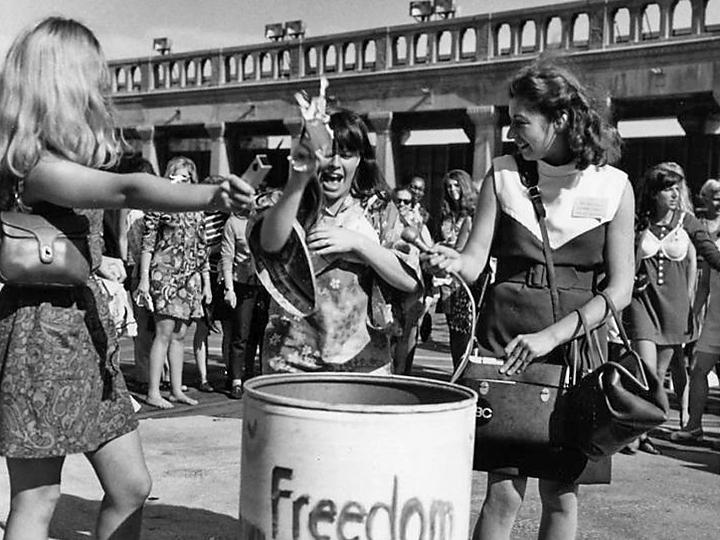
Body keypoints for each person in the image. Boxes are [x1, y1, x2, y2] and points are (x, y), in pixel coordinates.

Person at [0, 17, 254, 540]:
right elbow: (126, 191)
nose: (102, 87)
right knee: (38, 498)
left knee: (131, 485)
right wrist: (211, 195)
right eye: (94, 75)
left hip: (87, 340)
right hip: (38, 341)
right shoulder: (34, 165)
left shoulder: (56, 162)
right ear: (64, 82)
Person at [425, 60, 634, 540]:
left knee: (561, 491)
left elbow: (620, 289)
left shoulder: (614, 187)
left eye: (521, 121)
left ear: (558, 120)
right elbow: (475, 259)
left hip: (573, 347)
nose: (510, 131)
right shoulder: (500, 175)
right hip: (507, 343)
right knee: (503, 490)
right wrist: (450, 262)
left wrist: (552, 336)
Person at [251, 109, 421, 374]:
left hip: (364, 361)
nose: (334, 163)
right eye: (327, 153)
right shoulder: (285, 204)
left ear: (361, 159)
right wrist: (297, 183)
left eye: (347, 154)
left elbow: (409, 280)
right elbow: (267, 245)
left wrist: (358, 244)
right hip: (291, 358)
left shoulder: (380, 212)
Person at [624, 162, 720, 454]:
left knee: (659, 374)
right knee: (645, 369)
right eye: (668, 189)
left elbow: (710, 253)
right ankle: (634, 432)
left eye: (678, 188)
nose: (675, 194)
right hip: (642, 303)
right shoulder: (639, 221)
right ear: (654, 193)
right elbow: (621, 256)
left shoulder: (688, 221)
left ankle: (643, 431)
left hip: (674, 309)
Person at [136, 156, 212, 409]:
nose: (182, 181)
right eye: (177, 176)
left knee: (180, 334)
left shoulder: (197, 208)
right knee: (164, 332)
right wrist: (144, 280)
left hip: (189, 277)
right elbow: (147, 244)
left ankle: (177, 389)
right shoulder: (159, 205)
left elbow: (202, 248)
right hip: (165, 273)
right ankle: (154, 391)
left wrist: (206, 283)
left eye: (187, 177)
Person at [671, 178, 720, 446]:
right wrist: (694, 312)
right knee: (698, 368)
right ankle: (693, 426)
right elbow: (704, 283)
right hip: (714, 317)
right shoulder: (707, 235)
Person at [220, 207, 270, 398]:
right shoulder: (233, 223)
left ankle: (251, 373)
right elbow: (227, 257)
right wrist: (229, 288)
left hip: (264, 284)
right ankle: (235, 380)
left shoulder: (262, 219)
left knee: (260, 332)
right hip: (242, 283)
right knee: (240, 332)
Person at [436, 169, 483, 368]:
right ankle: (458, 369)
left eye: (456, 185)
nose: (452, 189)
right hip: (446, 277)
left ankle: (466, 372)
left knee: (467, 328)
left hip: (466, 275)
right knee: (453, 327)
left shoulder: (474, 214)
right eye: (448, 186)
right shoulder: (447, 216)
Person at [192, 174, 232, 393]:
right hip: (201, 277)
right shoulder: (196, 216)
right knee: (202, 328)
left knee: (228, 326)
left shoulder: (225, 216)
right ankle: (203, 377)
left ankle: (228, 372)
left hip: (222, 276)